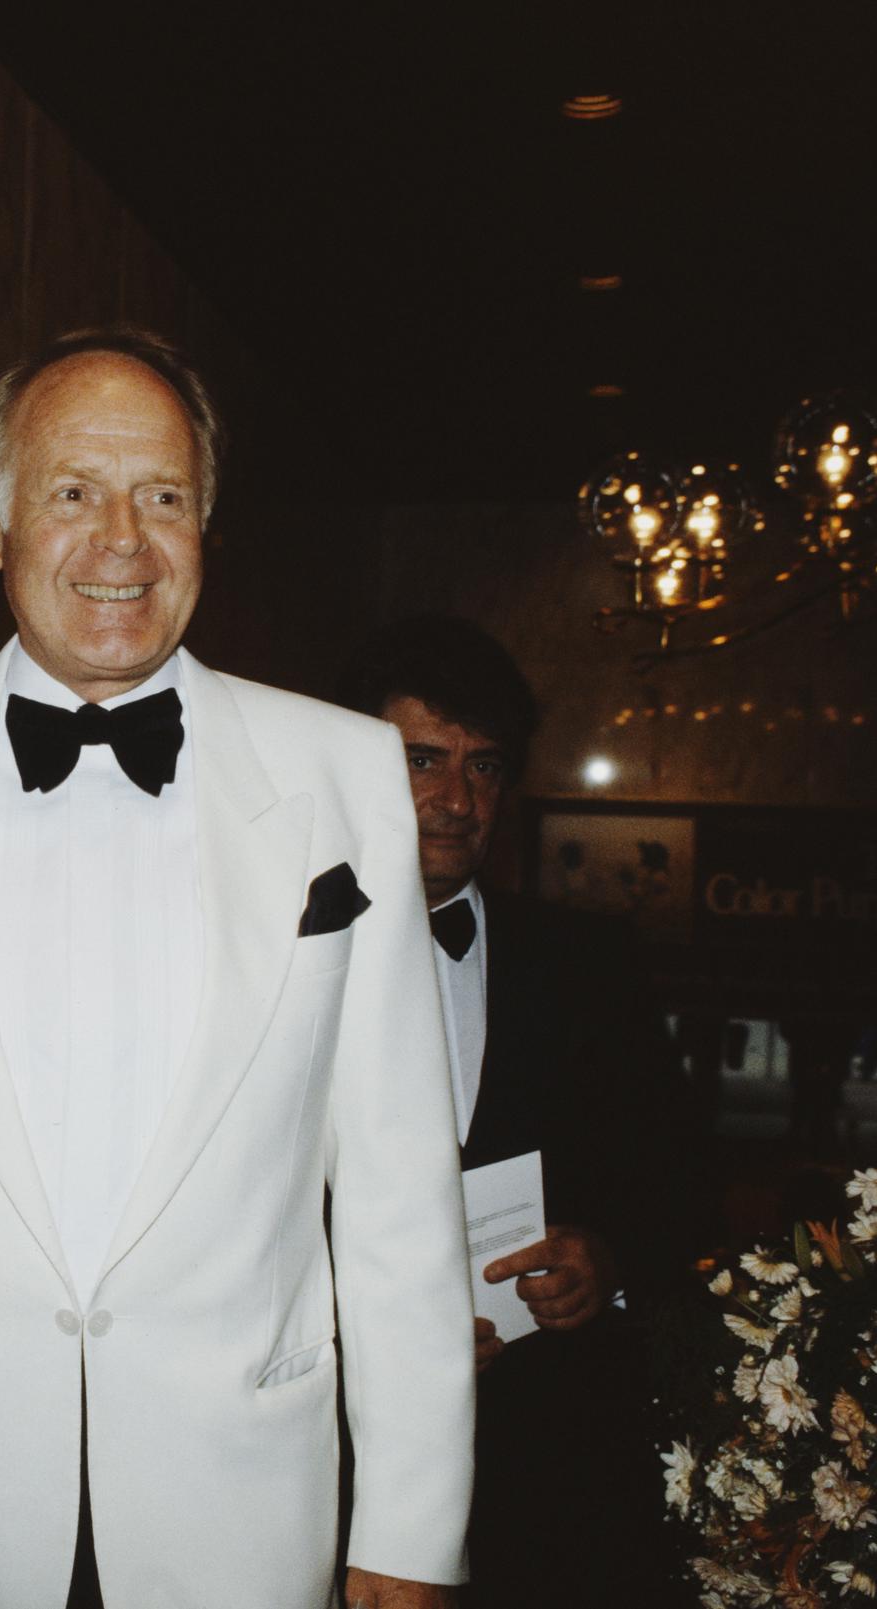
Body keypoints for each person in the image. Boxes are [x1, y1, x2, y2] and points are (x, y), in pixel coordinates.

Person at [0, 329, 472, 1608]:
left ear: (206, 522)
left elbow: (396, 1192)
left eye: (163, 496)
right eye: (73, 492)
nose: (122, 540)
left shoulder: (342, 772)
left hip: (244, 1507)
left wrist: (411, 1528)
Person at [346, 614, 691, 1608]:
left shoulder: (589, 966)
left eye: (485, 767)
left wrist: (609, 1261)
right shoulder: (276, 956)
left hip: (548, 1478)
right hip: (333, 1464)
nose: (457, 799)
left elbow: (680, 1182)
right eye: (423, 760)